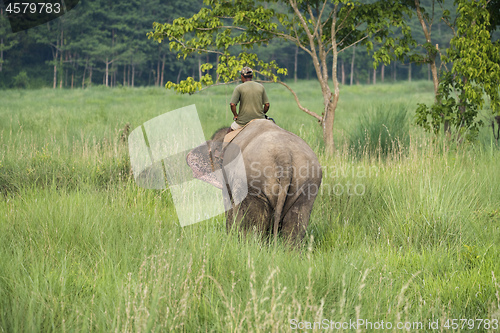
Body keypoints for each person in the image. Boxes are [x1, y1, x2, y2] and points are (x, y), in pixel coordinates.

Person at [229, 67, 270, 131]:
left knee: (229, 133)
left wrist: (235, 115)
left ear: (242, 76)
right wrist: (262, 113)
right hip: (260, 119)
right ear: (252, 76)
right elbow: (267, 105)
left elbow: (232, 104)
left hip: (243, 122)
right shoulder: (261, 87)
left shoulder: (239, 88)